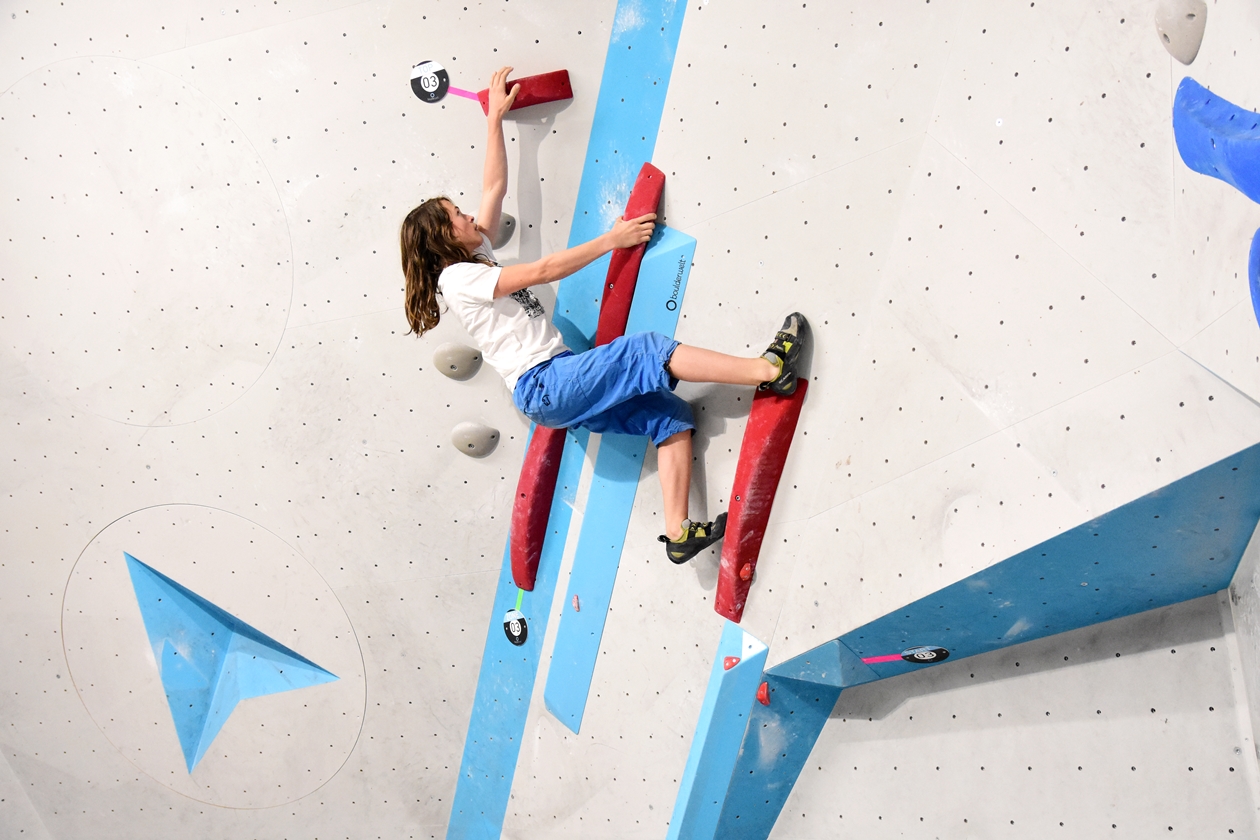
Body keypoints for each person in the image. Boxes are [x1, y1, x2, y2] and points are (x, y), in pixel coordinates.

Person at [400, 67, 807, 564]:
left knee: (670, 416)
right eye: (457, 216)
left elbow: (494, 189)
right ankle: (769, 370)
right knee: (648, 351)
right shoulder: (458, 279)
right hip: (546, 381)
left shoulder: (472, 258)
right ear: (444, 237)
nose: (468, 216)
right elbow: (544, 269)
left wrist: (495, 122)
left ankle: (679, 532)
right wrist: (611, 240)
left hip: (551, 394)